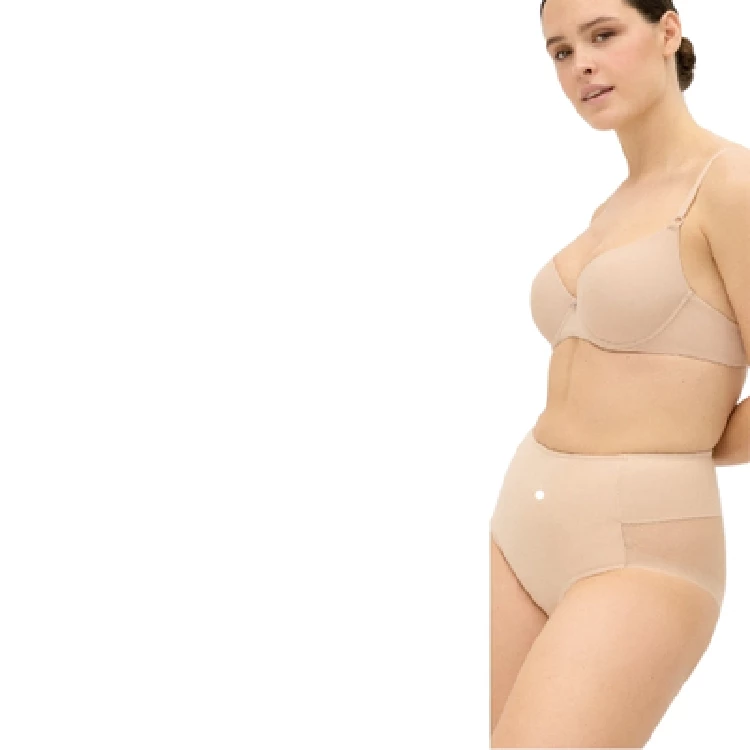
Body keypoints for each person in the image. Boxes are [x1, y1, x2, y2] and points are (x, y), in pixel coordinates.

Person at [489, 0, 750, 746]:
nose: (582, 65)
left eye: (603, 35)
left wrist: (683, 447)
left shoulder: (730, 184)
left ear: (668, 31)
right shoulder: (612, 207)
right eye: (560, 52)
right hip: (520, 527)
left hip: (642, 543)